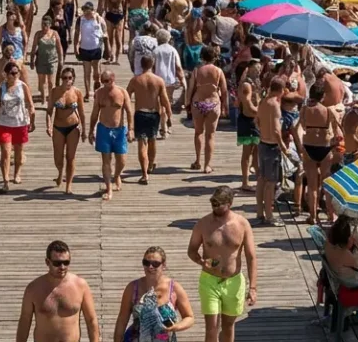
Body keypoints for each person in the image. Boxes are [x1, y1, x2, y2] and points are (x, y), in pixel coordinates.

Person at [187, 187, 257, 342]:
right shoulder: (203, 224)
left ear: (230, 203)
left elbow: (251, 257)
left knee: (228, 328)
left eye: (219, 205)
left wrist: (253, 287)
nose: (215, 208)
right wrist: (201, 261)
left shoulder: (242, 224)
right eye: (213, 204)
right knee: (211, 328)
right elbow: (191, 250)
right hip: (210, 280)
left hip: (234, 281)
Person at [17, 240, 100, 342]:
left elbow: (91, 320)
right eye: (57, 263)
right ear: (47, 262)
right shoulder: (33, 289)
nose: (62, 267)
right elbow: (25, 321)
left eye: (66, 262)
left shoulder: (80, 286)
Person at [111, 247, 195, 342]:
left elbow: (189, 317)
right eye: (146, 263)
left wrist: (177, 326)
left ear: (163, 265)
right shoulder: (132, 288)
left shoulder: (174, 288)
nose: (150, 267)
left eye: (155, 264)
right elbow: (122, 319)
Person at [0, 59, 35, 194]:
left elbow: (30, 104)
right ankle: (5, 181)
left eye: (17, 73)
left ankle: (17, 174)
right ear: (6, 74)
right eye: (12, 73)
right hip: (3, 124)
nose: (15, 76)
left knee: (19, 152)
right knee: (6, 153)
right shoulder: (1, 88)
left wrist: (32, 119)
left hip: (20, 123)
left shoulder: (22, 86)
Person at [299, 82, 343, 225]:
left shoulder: (304, 110)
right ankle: (331, 215)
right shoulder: (328, 111)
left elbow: (300, 127)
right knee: (326, 184)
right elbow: (337, 133)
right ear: (323, 96)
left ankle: (313, 216)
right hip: (324, 147)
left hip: (309, 146)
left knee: (312, 185)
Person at [88, 69, 132, 200]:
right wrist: (91, 130)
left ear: (113, 79)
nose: (104, 84)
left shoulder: (122, 92)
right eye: (102, 81)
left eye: (107, 81)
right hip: (104, 129)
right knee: (106, 161)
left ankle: (117, 175)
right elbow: (95, 113)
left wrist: (131, 129)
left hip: (119, 130)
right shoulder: (99, 93)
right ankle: (108, 189)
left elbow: (129, 111)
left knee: (122, 160)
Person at [126, 54, 169, 184]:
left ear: (141, 65)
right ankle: (150, 165)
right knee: (153, 139)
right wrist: (169, 116)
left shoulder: (135, 80)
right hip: (154, 114)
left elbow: (126, 97)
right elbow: (165, 101)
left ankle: (144, 174)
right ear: (153, 64)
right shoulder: (159, 80)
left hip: (140, 113)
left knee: (142, 143)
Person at [254, 77, 290, 227]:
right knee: (271, 183)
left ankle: (260, 212)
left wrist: (263, 132)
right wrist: (283, 146)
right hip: (271, 147)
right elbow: (276, 129)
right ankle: (269, 216)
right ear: (281, 90)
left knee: (261, 179)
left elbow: (256, 121)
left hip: (262, 144)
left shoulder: (263, 102)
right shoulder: (274, 105)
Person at [186, 45, 226, 174]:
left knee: (198, 132)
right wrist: (225, 107)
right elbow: (224, 91)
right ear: (214, 57)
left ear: (202, 56)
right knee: (210, 135)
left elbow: (190, 89)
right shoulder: (219, 71)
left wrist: (187, 103)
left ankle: (197, 160)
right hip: (213, 104)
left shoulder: (197, 71)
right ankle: (207, 165)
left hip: (198, 103)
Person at [47, 67, 85, 194]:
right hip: (58, 127)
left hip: (73, 126)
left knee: (70, 157)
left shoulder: (77, 92)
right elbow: (49, 111)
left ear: (73, 78)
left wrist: (85, 130)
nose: (67, 80)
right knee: (58, 158)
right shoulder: (54, 91)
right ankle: (59, 173)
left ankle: (68, 185)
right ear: (61, 79)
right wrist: (48, 125)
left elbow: (82, 112)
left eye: (70, 78)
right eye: (64, 78)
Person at [151, 30, 185, 139]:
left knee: (160, 104)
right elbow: (178, 67)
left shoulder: (155, 51)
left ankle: (163, 126)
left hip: (157, 80)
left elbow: (152, 67)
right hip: (170, 80)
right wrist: (182, 79)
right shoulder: (172, 50)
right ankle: (166, 124)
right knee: (167, 102)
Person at [234, 63, 261, 193]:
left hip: (255, 121)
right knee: (247, 153)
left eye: (260, 68)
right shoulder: (246, 85)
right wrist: (259, 113)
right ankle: (245, 182)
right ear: (249, 69)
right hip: (248, 121)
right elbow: (247, 102)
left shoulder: (256, 82)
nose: (258, 70)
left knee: (256, 152)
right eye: (256, 68)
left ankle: (258, 180)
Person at [75, 2, 107, 97]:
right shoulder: (80, 20)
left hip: (96, 48)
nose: (87, 14)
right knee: (86, 72)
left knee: (96, 71)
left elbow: (105, 33)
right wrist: (76, 46)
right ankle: (87, 93)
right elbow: (77, 33)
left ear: (93, 11)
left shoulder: (98, 19)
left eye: (89, 12)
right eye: (85, 12)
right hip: (84, 48)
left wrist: (106, 47)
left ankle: (97, 85)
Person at [32, 15, 65, 105]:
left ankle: (50, 98)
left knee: (51, 82)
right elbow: (34, 47)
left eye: (46, 24)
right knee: (42, 81)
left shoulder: (54, 34)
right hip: (41, 61)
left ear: (50, 25)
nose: (44, 26)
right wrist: (32, 59)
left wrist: (61, 59)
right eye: (42, 24)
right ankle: (43, 97)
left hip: (52, 60)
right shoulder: (38, 34)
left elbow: (59, 47)